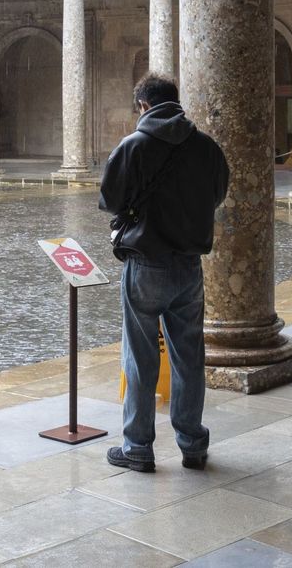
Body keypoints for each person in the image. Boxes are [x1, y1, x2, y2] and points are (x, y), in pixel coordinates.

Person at [100, 74, 227, 474]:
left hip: (146, 264)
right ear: (176, 102)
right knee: (189, 356)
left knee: (139, 357)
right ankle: (192, 443)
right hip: (189, 266)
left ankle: (138, 446)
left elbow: (108, 200)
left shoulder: (133, 145)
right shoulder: (206, 147)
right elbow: (218, 193)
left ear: (143, 105)